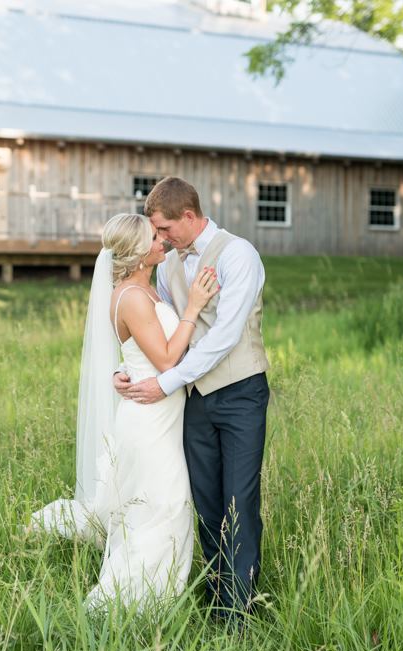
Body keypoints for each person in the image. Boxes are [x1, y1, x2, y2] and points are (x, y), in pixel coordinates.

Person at [28, 212, 219, 612]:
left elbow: (139, 354)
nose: (162, 241)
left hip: (158, 414)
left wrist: (123, 371)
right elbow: (167, 360)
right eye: (153, 238)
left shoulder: (145, 289)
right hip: (149, 419)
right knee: (163, 503)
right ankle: (131, 598)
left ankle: (157, 589)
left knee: (158, 502)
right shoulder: (132, 297)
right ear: (136, 253)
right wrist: (194, 307)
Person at [115, 177, 271, 626]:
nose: (160, 240)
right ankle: (215, 589)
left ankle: (235, 613)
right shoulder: (167, 268)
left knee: (238, 500)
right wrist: (126, 368)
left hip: (240, 391)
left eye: (165, 230)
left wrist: (164, 384)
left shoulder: (238, 254)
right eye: (155, 233)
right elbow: (159, 331)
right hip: (193, 399)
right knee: (203, 501)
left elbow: (223, 336)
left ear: (189, 215)